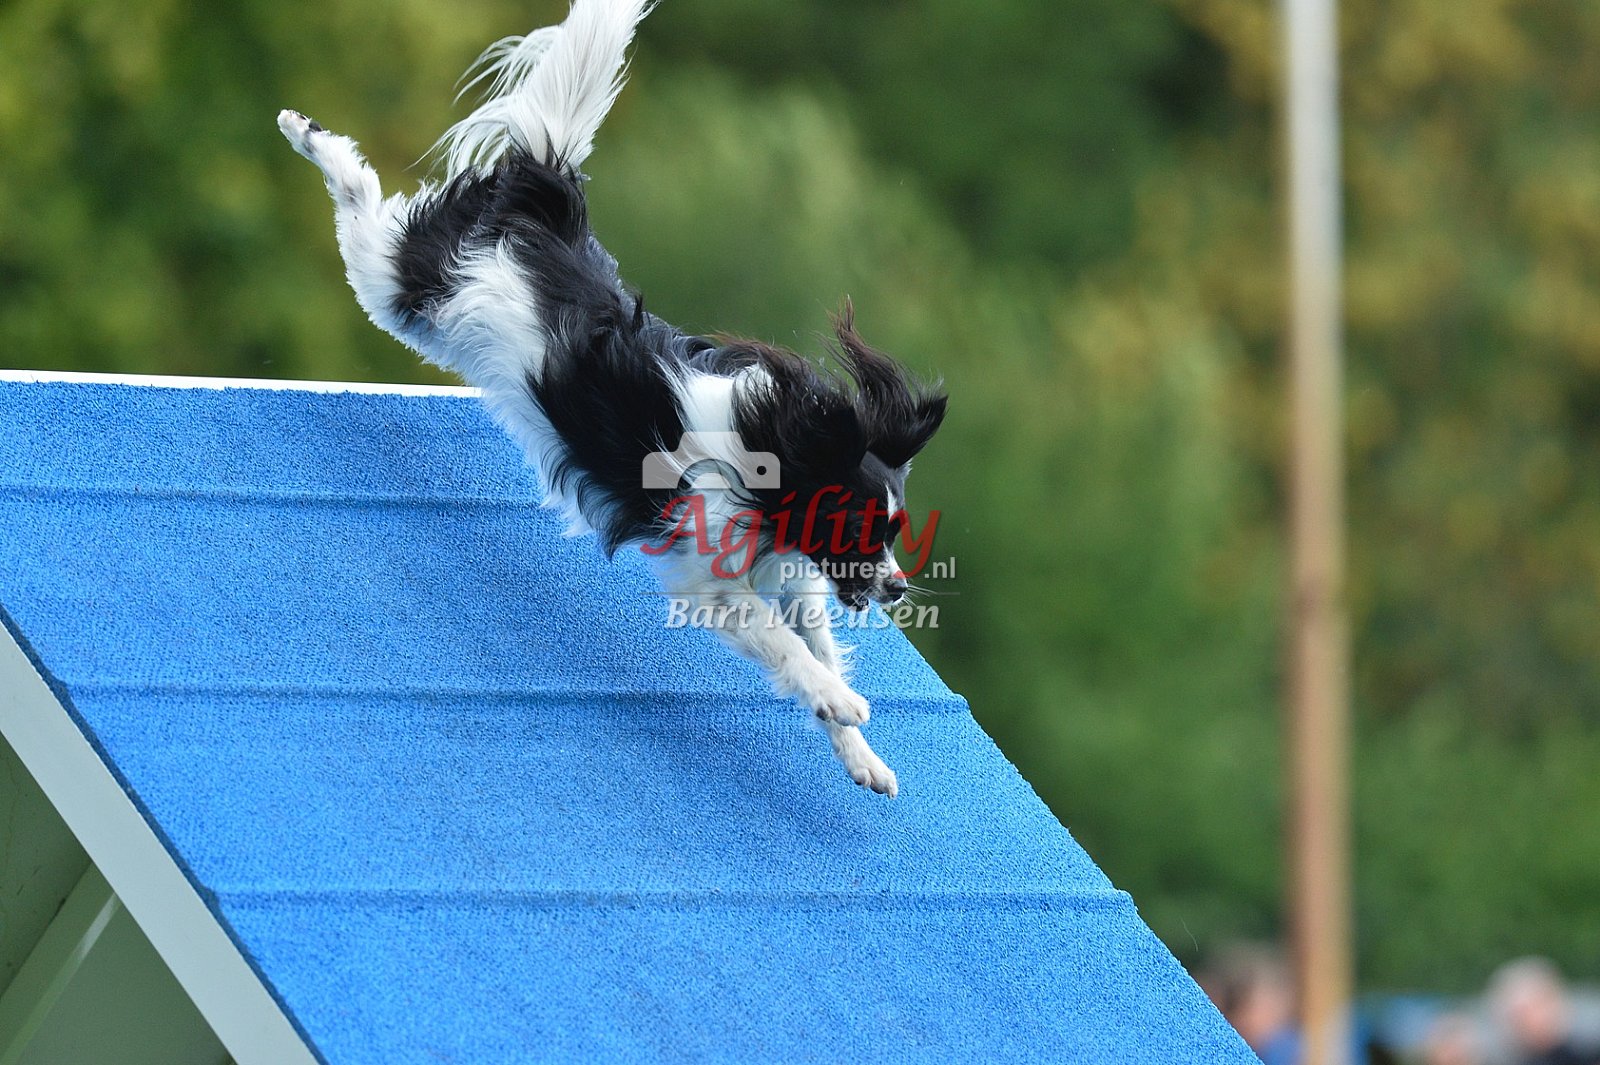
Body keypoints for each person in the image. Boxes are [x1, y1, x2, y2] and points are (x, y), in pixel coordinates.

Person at [1487, 958, 1600, 1065]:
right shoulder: (1511, 1056)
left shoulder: (1589, 1043)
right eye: (1512, 1017)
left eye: (1524, 1013)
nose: (1519, 1023)